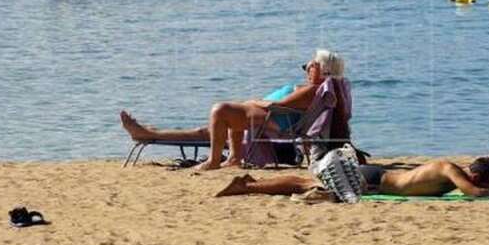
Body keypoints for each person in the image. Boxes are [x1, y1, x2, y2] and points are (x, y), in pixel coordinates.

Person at [120, 49, 346, 170]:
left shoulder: (312, 90)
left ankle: (213, 160)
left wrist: (254, 101)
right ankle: (150, 134)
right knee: (206, 131)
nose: (307, 68)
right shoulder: (316, 89)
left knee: (219, 111)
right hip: (264, 120)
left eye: (312, 65)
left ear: (323, 70)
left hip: (269, 120)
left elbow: (276, 106)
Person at [215, 157, 489, 198]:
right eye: (486, 181)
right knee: (309, 184)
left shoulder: (454, 174)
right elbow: (473, 193)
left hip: (376, 176)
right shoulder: (452, 171)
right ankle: (247, 185)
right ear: (477, 176)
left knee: (308, 182)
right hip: (374, 179)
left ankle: (250, 182)